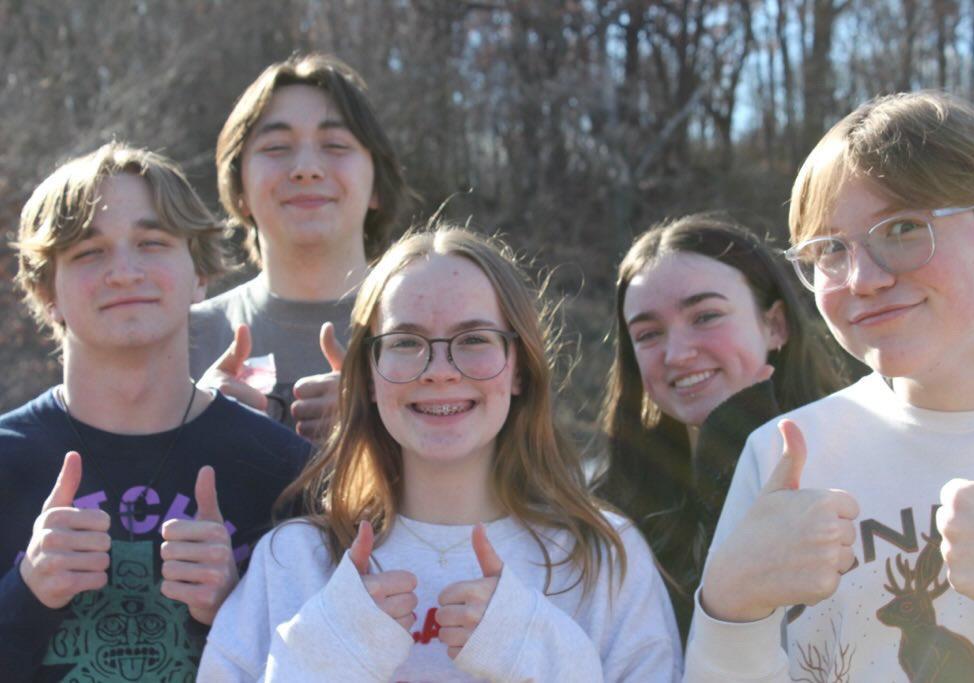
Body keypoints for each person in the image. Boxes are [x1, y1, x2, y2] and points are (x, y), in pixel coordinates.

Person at [198, 225, 683, 681]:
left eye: (473, 339)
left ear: (519, 368)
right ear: (369, 376)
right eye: (406, 342)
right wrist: (323, 657)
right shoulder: (294, 562)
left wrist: (536, 653)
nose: (439, 370)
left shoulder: (603, 559)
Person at [684, 91, 974, 681]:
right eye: (829, 250)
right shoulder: (784, 456)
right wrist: (731, 607)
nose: (862, 279)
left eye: (904, 228)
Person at [0, 143, 310, 681]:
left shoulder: (287, 472)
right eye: (89, 252)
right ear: (48, 292)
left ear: (199, 274)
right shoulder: (7, 459)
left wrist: (236, 608)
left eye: (152, 242)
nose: (124, 272)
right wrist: (26, 592)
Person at [598, 213, 845, 640]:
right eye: (648, 334)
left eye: (706, 316)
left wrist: (740, 437)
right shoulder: (610, 521)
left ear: (775, 325)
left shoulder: (853, 465)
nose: (677, 354)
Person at [190, 53, 411, 439]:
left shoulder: (436, 332)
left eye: (335, 145)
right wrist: (191, 423)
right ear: (239, 189)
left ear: (377, 183)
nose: (306, 169)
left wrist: (387, 419)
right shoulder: (183, 341)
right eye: (276, 147)